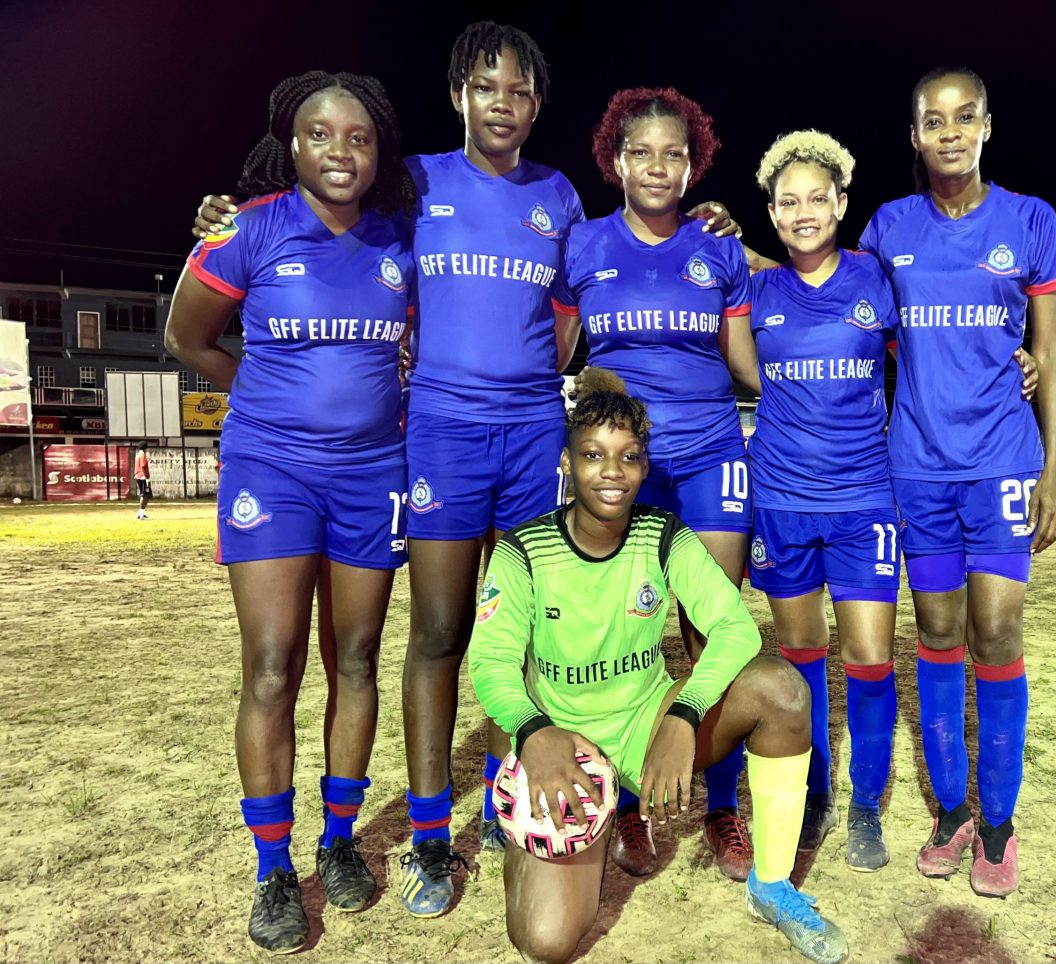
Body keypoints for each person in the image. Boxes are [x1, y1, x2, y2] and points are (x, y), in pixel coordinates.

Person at [191, 24, 740, 917]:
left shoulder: (557, 197)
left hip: (530, 434)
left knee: (518, 637)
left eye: (520, 92)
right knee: (439, 632)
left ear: (535, 105)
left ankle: (506, 798)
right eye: (487, 87)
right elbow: (335, 229)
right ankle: (433, 837)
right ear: (459, 96)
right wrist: (226, 211)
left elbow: (572, 313)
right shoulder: (418, 186)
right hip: (440, 436)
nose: (503, 104)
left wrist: (719, 227)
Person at [467, 368, 849, 964]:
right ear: (567, 463)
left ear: (645, 467)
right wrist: (534, 732)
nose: (611, 472)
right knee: (546, 942)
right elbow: (490, 662)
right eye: (593, 455)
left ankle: (771, 887)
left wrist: (684, 715)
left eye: (628, 457)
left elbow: (735, 628)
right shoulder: (524, 550)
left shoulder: (663, 534)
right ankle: (549, 830)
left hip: (649, 723)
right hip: (568, 748)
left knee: (782, 691)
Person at [165, 70, 415, 952]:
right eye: (321, 134)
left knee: (355, 659)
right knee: (272, 666)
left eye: (359, 137)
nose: (340, 151)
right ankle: (274, 866)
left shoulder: (400, 242)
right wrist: (260, 394)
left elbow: (426, 337)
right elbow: (187, 337)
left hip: (374, 474)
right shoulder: (248, 229)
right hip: (270, 471)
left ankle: (338, 840)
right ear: (291, 143)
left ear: (378, 150)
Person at [858, 66, 1056, 897]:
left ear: (987, 126)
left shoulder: (1030, 221)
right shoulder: (890, 226)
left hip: (1003, 467)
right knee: (938, 635)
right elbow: (833, 292)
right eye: (932, 120)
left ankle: (1000, 824)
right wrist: (745, 244)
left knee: (996, 635)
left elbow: (1050, 351)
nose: (949, 131)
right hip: (916, 465)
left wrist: (1054, 470)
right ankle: (950, 812)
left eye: (964, 116)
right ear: (914, 136)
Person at [551, 87, 753, 881]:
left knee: (712, 631)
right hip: (617, 468)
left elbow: (748, 365)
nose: (660, 166)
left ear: (693, 161)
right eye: (644, 152)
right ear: (617, 160)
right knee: (620, 637)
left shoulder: (720, 248)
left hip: (708, 456)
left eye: (676, 153)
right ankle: (625, 804)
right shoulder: (583, 245)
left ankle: (722, 807)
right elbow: (551, 349)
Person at [723, 131, 902, 871]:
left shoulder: (876, 280)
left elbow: (927, 355)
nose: (804, 211)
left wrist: (1016, 358)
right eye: (788, 201)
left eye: (816, 198)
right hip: (783, 501)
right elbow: (742, 367)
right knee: (801, 662)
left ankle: (864, 806)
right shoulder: (756, 290)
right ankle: (816, 795)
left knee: (868, 656)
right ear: (770, 211)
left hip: (865, 499)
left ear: (841, 203)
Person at [134, 442, 151, 519]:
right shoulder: (142, 455)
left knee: (145, 495)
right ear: (145, 448)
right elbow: (143, 466)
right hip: (142, 477)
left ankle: (140, 513)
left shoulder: (138, 454)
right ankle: (141, 514)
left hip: (138, 476)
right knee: (145, 495)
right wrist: (147, 477)